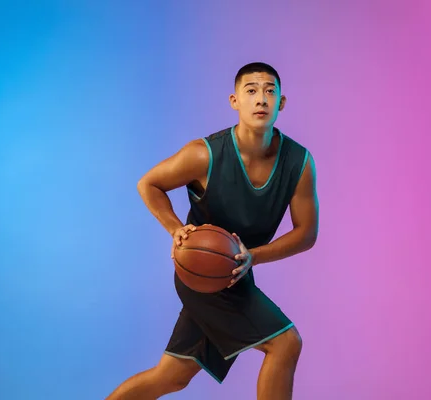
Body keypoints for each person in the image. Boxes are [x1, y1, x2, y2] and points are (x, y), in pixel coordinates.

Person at [106, 62, 319, 400]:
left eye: (269, 91)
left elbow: (306, 232)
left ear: (281, 103)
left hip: (233, 273)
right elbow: (149, 183)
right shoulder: (204, 154)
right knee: (285, 344)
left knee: (172, 376)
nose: (260, 98)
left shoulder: (299, 162)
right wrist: (177, 229)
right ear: (235, 101)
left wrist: (254, 257)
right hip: (202, 274)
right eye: (251, 91)